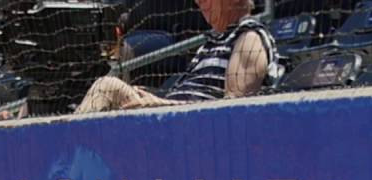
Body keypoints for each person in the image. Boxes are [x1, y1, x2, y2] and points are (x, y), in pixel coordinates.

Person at [74, 0, 279, 114]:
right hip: (170, 116)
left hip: (189, 129)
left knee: (107, 87)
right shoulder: (212, 41)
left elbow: (231, 110)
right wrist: (155, 98)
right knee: (107, 87)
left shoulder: (250, 37)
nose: (198, 2)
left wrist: (160, 104)